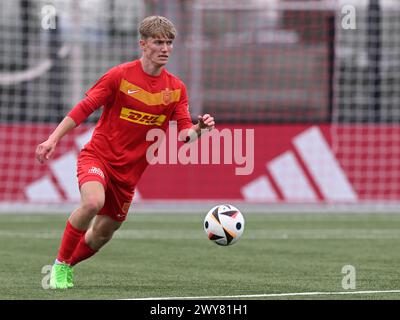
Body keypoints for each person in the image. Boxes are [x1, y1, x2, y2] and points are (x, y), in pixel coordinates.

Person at [35, 16, 215, 289]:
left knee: (102, 233)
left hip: (128, 174)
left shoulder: (176, 88)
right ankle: (59, 265)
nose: (165, 48)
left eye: (169, 43)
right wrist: (53, 139)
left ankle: (68, 266)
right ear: (143, 44)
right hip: (98, 157)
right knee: (93, 202)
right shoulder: (119, 75)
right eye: (158, 42)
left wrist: (200, 129)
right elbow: (85, 108)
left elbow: (184, 135)